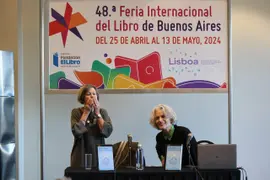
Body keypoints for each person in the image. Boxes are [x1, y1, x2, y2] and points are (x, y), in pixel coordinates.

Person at [70, 84, 113, 168]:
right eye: (89, 94)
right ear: (83, 97)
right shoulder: (76, 112)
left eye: (94, 94)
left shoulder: (102, 112)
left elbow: (107, 131)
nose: (92, 97)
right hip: (81, 154)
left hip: (99, 156)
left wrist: (97, 113)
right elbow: (76, 131)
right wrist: (86, 112)